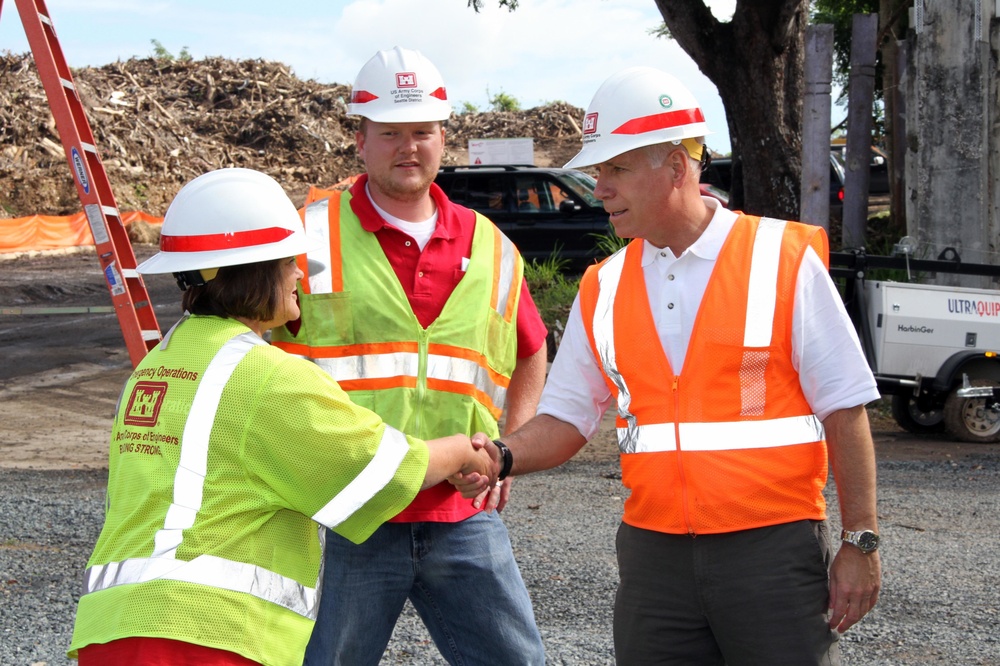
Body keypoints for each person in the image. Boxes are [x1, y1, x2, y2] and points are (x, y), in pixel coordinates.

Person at [454, 66, 882, 665]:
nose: (599, 187)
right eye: (598, 171)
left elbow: (845, 405)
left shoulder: (779, 259)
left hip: (772, 552)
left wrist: (860, 539)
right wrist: (502, 455)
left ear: (677, 168)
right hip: (654, 563)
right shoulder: (604, 285)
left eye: (615, 169)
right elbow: (568, 418)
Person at [67, 168, 497, 666]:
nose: (301, 273)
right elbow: (381, 469)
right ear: (251, 270)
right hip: (206, 636)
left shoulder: (156, 367)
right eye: (288, 261)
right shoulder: (267, 375)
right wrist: (465, 450)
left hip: (113, 630)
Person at [270, 47, 548, 665]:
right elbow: (257, 354)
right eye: (390, 132)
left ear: (443, 138)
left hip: (462, 513)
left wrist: (511, 453)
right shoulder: (305, 238)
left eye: (422, 131)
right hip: (348, 515)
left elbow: (533, 351)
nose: (408, 147)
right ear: (360, 140)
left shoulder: (494, 248)